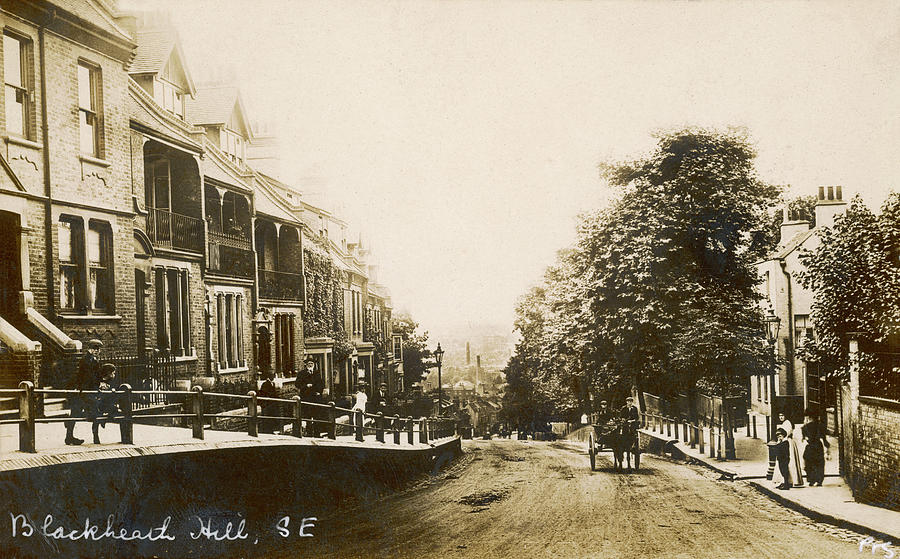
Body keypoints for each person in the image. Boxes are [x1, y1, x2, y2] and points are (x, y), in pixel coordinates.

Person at [65, 339, 102, 445]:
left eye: (98, 349)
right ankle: (69, 436)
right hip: (83, 391)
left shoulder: (95, 361)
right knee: (77, 413)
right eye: (94, 348)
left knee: (92, 412)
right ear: (89, 349)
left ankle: (95, 437)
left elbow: (96, 377)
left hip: (90, 391)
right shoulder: (85, 361)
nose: (96, 351)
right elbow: (85, 377)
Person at [801, 409, 830, 486]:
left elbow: (804, 439)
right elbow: (824, 439)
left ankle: (811, 480)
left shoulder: (805, 427)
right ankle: (819, 480)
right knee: (819, 463)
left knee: (809, 463)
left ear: (809, 417)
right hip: (818, 446)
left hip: (810, 447)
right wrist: (827, 450)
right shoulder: (820, 426)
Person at [776, 411, 805, 488]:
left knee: (788, 462)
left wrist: (781, 440)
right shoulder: (785, 423)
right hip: (785, 441)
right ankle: (784, 481)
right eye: (779, 416)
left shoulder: (787, 423)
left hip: (787, 442)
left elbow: (786, 434)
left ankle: (789, 481)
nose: (781, 417)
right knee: (784, 464)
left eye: (782, 415)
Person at [92, 363, 119, 444]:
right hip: (97, 402)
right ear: (109, 373)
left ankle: (104, 421)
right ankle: (95, 435)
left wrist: (113, 390)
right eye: (113, 373)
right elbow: (94, 389)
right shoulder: (97, 380)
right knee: (96, 417)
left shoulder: (112, 381)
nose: (114, 375)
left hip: (106, 403)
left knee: (114, 410)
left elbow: (115, 388)